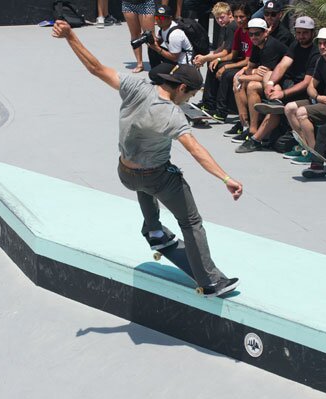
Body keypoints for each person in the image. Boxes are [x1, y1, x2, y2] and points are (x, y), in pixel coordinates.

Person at [52, 20, 242, 297]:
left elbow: (95, 67)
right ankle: (211, 280)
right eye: (189, 94)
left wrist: (70, 36)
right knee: (190, 221)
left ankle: (153, 230)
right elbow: (196, 150)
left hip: (125, 173)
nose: (188, 100)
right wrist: (226, 178)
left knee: (148, 178)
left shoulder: (135, 87)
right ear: (180, 89)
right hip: (155, 177)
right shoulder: (173, 114)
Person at [236, 16, 319, 153]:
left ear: (312, 33)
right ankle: (272, 105)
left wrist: (283, 93)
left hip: (301, 92)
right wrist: (270, 84)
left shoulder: (315, 53)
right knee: (269, 76)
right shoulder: (295, 45)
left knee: (274, 112)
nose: (301, 36)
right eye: (298, 32)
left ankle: (255, 139)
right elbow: (282, 66)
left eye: (305, 33)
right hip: (288, 84)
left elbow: (306, 82)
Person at [283, 28, 326, 165]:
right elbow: (310, 87)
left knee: (301, 112)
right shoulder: (320, 60)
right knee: (289, 108)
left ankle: (314, 154)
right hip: (321, 100)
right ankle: (305, 147)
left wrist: (318, 97)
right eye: (320, 43)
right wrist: (318, 98)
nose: (322, 46)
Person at [226, 18, 288, 143]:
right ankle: (245, 125)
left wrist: (240, 76)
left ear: (265, 33)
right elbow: (250, 68)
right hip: (268, 79)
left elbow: (265, 76)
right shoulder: (257, 45)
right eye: (251, 34)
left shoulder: (271, 46)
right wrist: (248, 72)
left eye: (257, 34)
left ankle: (253, 129)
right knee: (238, 84)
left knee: (251, 85)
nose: (253, 37)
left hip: (283, 81)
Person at [210, 2, 253, 122]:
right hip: (241, 61)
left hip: (251, 65)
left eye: (242, 17)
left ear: (248, 16)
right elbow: (233, 54)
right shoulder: (239, 31)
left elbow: (247, 61)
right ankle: (210, 103)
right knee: (215, 65)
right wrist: (217, 59)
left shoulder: (252, 32)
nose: (239, 20)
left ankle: (222, 111)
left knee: (227, 73)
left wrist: (226, 67)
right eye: (237, 17)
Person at [193, 2, 237, 112]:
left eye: (222, 17)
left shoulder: (232, 26)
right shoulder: (226, 26)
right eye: (217, 19)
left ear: (229, 14)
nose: (220, 21)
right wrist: (207, 57)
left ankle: (210, 103)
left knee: (214, 64)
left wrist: (205, 59)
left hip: (237, 58)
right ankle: (208, 101)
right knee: (211, 62)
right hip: (230, 55)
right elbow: (222, 46)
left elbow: (226, 52)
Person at [122, 0, 156, 73]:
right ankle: (139, 64)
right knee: (135, 34)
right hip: (128, 4)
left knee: (149, 36)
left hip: (146, 3)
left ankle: (155, 64)